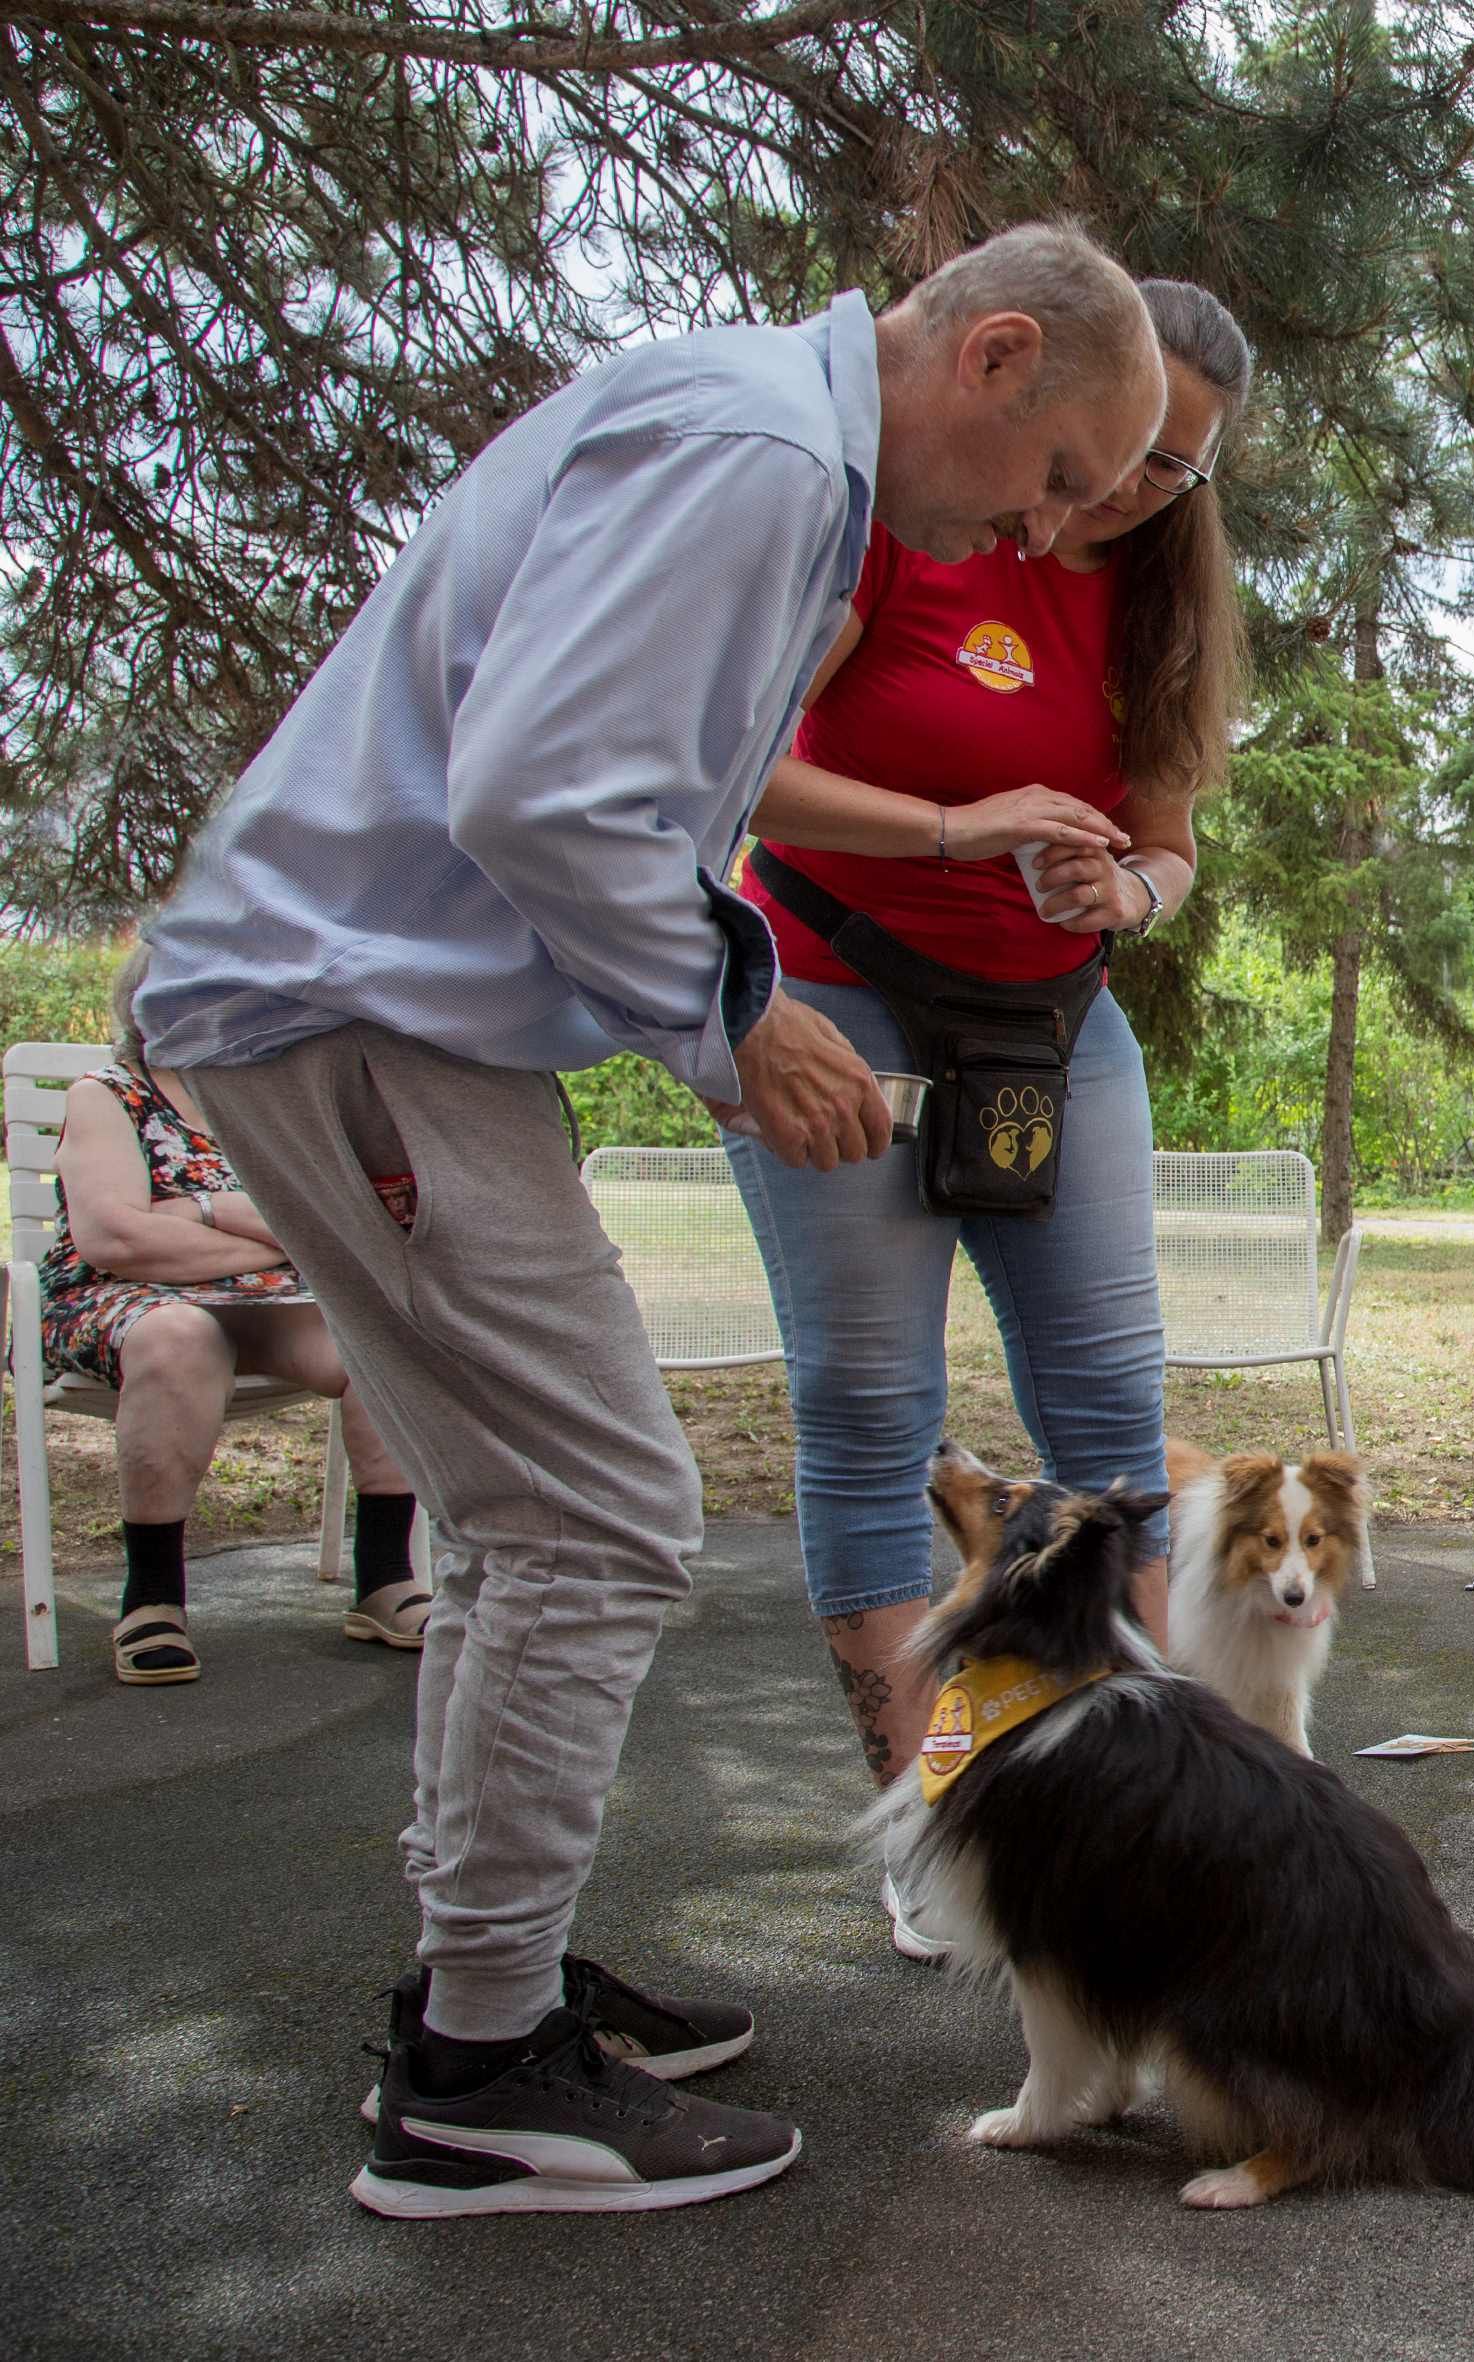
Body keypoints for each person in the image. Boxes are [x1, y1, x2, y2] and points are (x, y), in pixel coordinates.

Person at [136, 219, 1167, 2218]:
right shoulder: (771, 459)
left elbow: (591, 780)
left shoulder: (753, 426)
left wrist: (718, 1015)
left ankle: (489, 1986)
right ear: (994, 354)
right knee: (598, 1516)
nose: (1037, 538)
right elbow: (541, 786)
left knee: (541, 1521)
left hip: (370, 1006)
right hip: (360, 1010)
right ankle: (471, 2069)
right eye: (1052, 478)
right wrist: (742, 1014)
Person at [728, 279, 1248, 1958]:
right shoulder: (907, 521)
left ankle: (1145, 1807)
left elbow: (1167, 845)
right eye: (1116, 449)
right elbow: (733, 767)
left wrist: (1130, 891)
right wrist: (957, 827)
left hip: (1058, 1031)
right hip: (840, 1005)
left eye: (1174, 471)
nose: (1122, 489)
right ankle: (932, 1824)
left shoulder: (1163, 599)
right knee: (872, 1407)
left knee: (1110, 1411)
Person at [44, 953, 423, 1684]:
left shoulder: (271, 1100)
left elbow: (343, 1219)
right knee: (179, 1334)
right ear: (147, 1010)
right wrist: (269, 1224)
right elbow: (114, 1240)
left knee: (386, 1336)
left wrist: (198, 1208)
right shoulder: (108, 1095)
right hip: (116, 1300)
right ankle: (152, 1600)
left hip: (268, 1299)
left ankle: (384, 1579)